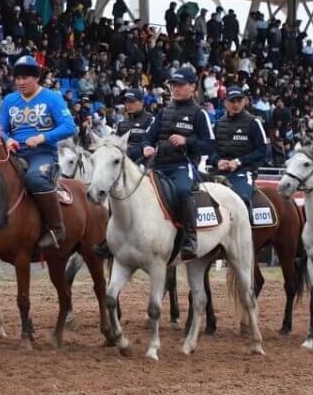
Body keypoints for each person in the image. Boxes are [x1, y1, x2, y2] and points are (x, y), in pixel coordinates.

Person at [0, 55, 77, 250]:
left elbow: (69, 126)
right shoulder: (9, 100)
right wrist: (7, 139)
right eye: (17, 78)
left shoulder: (52, 98)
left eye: (25, 78)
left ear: (36, 78)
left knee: (35, 179)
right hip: (14, 153)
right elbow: (0, 128)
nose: (20, 82)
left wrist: (42, 137)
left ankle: (56, 228)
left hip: (42, 154)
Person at [141, 66, 216, 260]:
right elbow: (147, 138)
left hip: (183, 166)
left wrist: (187, 141)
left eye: (180, 85)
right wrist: (146, 147)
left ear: (192, 87)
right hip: (157, 166)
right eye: (173, 85)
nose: (175, 88)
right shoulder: (163, 113)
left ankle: (190, 238)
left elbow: (209, 146)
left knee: (183, 190)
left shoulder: (200, 114)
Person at [211, 86, 269, 211]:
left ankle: (247, 230)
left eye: (239, 100)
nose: (236, 104)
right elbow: (210, 150)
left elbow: (263, 150)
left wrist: (239, 162)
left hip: (244, 171)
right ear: (225, 103)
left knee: (241, 200)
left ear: (245, 101)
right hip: (219, 172)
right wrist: (217, 161)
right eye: (232, 101)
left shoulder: (253, 122)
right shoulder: (218, 124)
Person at [115, 88, 153, 162]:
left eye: (132, 101)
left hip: (144, 163)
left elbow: (152, 145)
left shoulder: (151, 120)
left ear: (142, 102)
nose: (128, 105)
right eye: (126, 102)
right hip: (123, 162)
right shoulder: (122, 123)